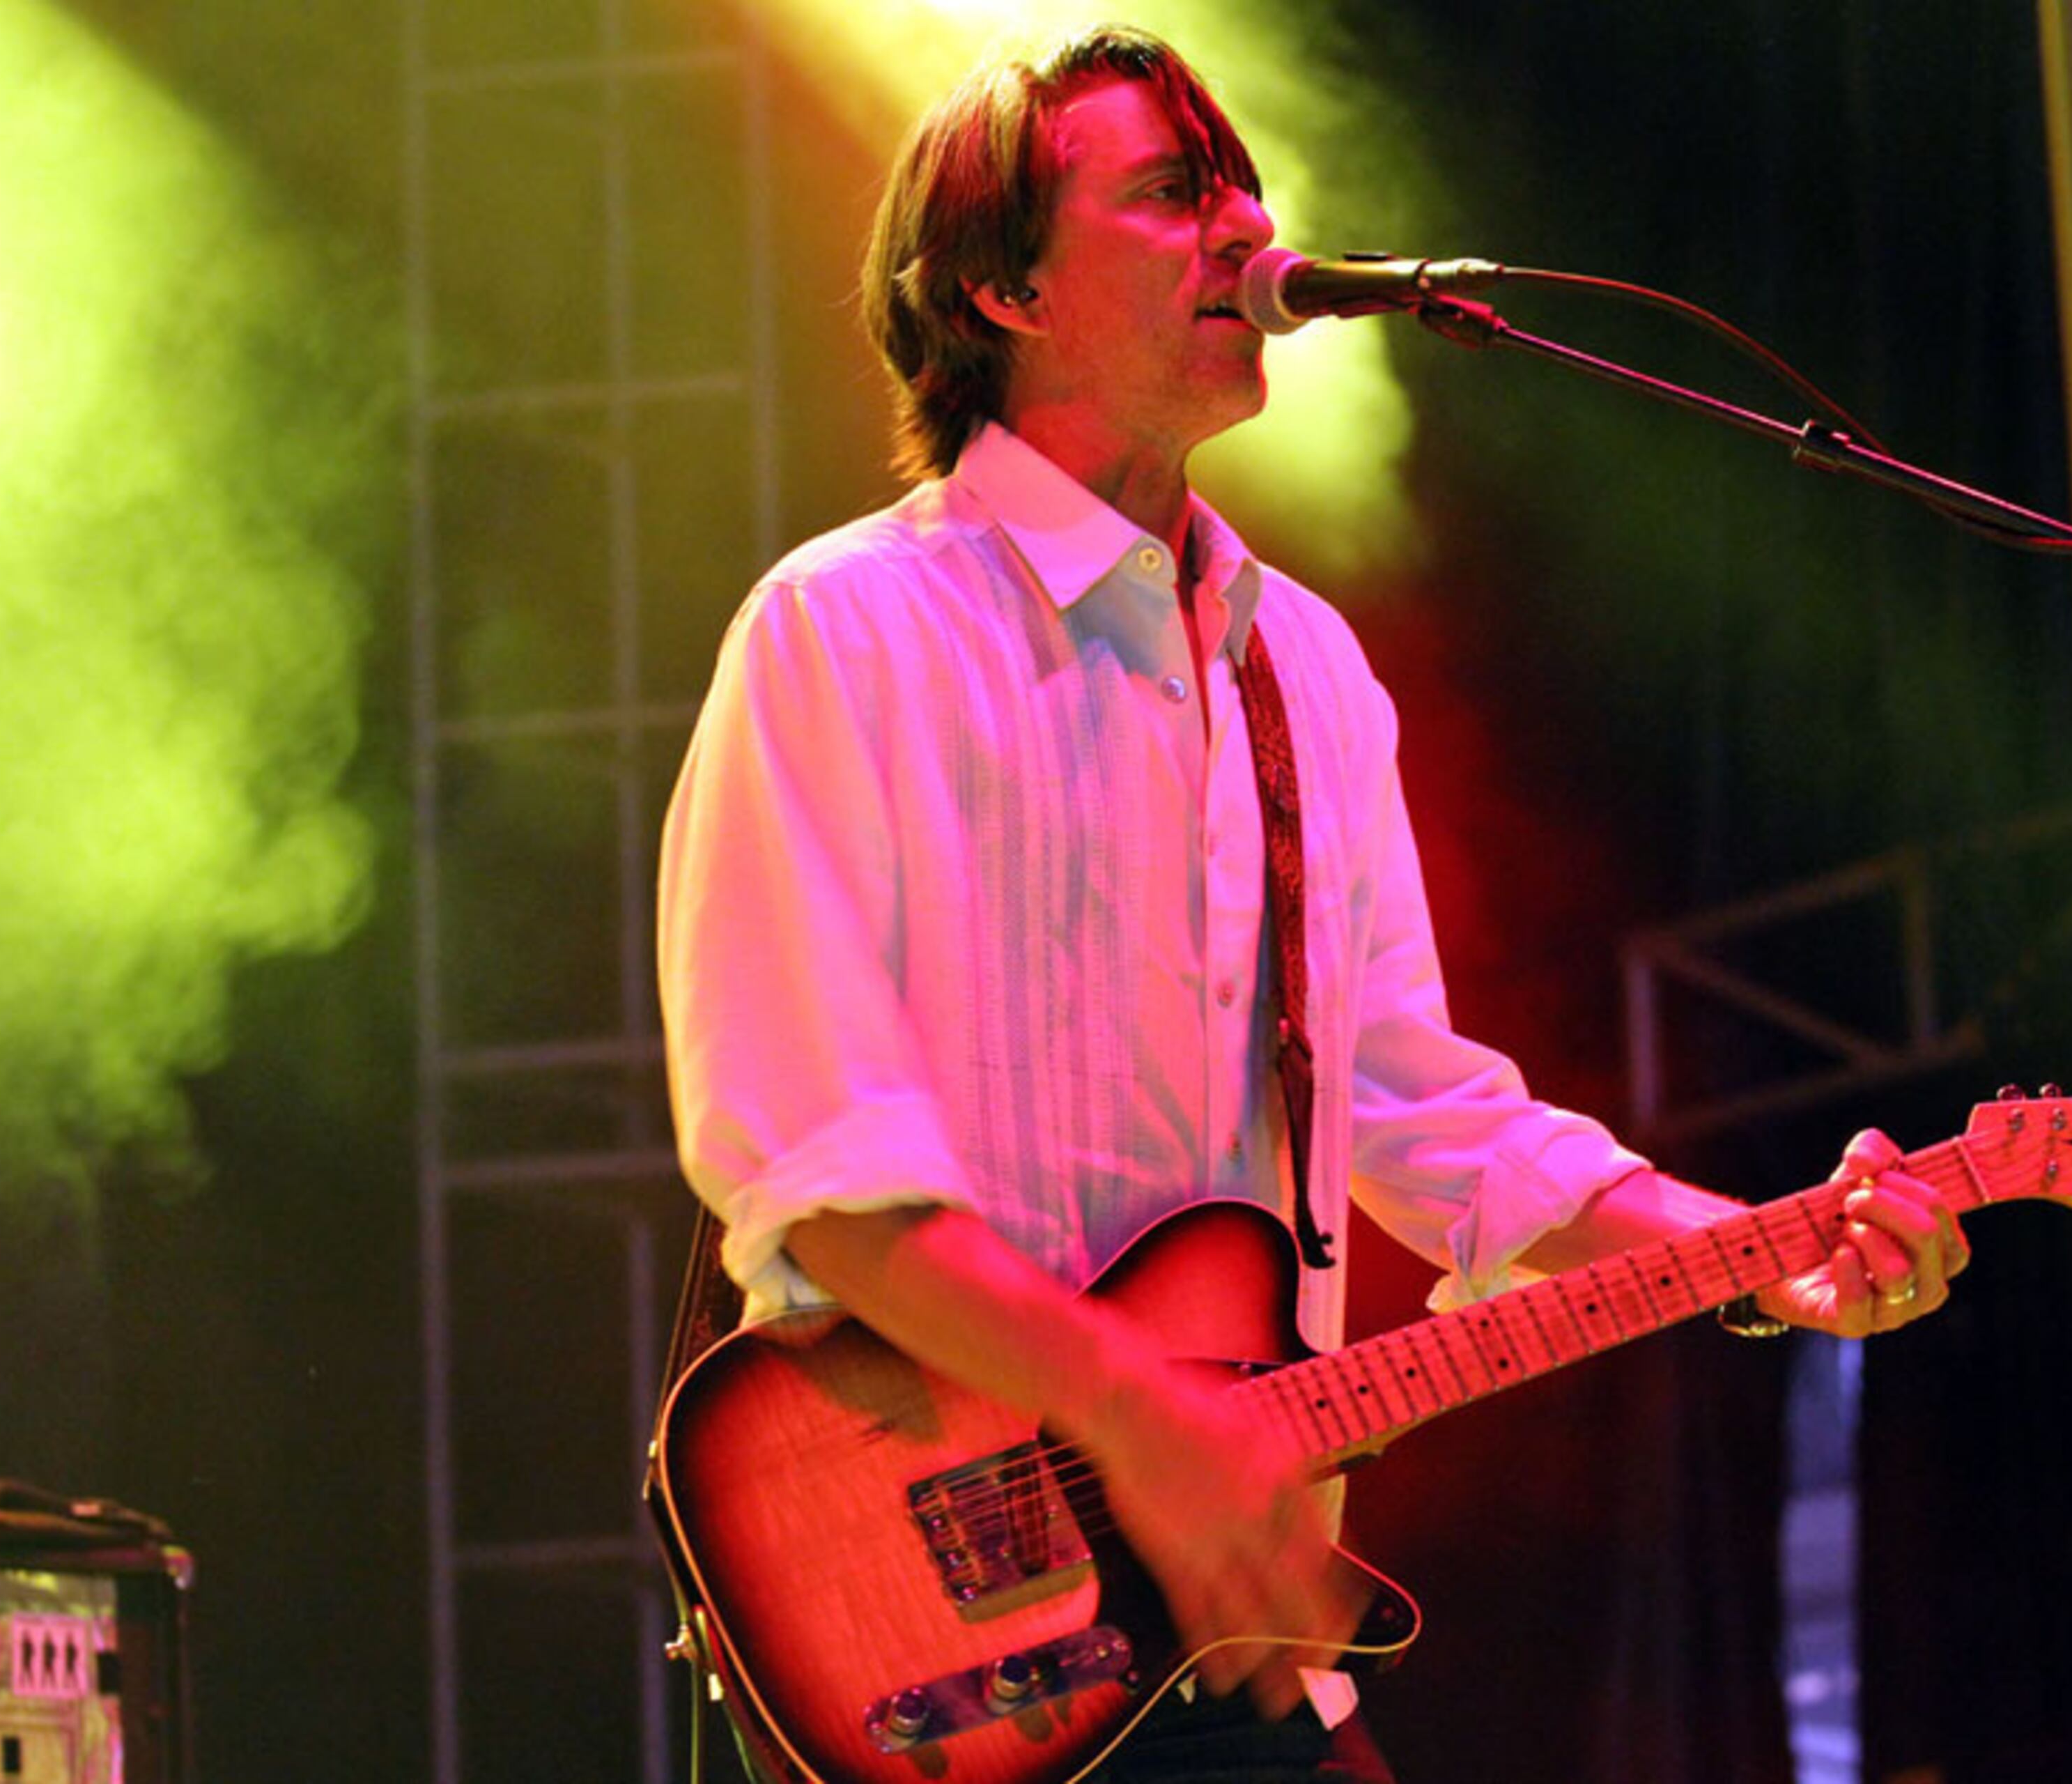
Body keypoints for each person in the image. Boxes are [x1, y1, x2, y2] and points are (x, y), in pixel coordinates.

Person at [657, 24, 1969, 1782]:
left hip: (1237, 1621)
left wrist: (1763, 1253)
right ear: (1002, 291)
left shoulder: (1303, 671)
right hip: (942, 1614)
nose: (1245, 226)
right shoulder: (845, 633)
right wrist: (1137, 1415)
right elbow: (813, 1163)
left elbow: (1420, 1106)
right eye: (1170, 192)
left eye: (1242, 183)